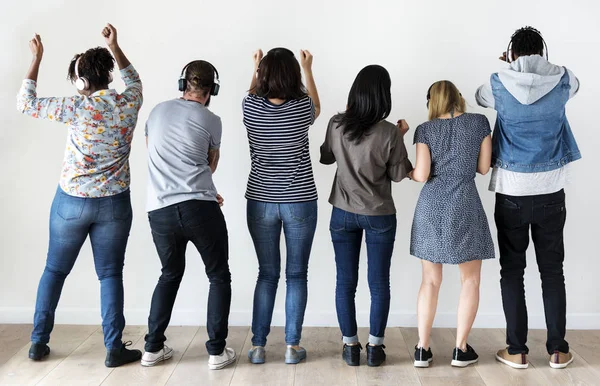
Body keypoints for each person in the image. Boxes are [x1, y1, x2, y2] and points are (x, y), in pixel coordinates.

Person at [16, 24, 143, 367]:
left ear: (82, 83)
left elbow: (24, 102)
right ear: (108, 76)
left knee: (54, 271)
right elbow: (135, 80)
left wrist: (37, 58)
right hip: (114, 203)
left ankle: (38, 342)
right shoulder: (129, 102)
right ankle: (114, 349)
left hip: (71, 203)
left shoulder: (75, 107)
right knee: (110, 274)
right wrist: (115, 46)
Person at [476, 26, 581, 370]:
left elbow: (479, 97)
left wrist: (510, 68)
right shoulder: (565, 80)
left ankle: (517, 350)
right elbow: (573, 84)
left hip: (512, 191)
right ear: (543, 52)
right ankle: (558, 350)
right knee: (552, 271)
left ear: (511, 53)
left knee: (512, 271)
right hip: (551, 189)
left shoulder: (497, 82)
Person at [142, 60, 236, 370]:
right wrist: (203, 189)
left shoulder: (156, 112)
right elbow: (210, 164)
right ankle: (216, 353)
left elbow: (156, 155)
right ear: (212, 90)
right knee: (218, 275)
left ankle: (152, 348)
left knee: (169, 274)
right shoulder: (212, 120)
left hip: (160, 210)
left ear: (183, 84)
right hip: (199, 208)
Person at [320, 65, 413, 367]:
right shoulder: (389, 132)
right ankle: (375, 348)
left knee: (345, 282)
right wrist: (399, 138)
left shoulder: (336, 124)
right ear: (383, 95)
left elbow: (325, 157)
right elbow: (400, 176)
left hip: (342, 214)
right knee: (379, 283)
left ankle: (350, 347)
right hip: (379, 215)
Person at [243, 47, 321, 365]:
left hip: (260, 200)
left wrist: (255, 68)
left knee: (267, 274)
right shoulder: (302, 108)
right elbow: (317, 105)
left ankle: (259, 347)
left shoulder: (250, 106)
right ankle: (291, 347)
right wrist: (308, 69)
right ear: (292, 75)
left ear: (263, 75)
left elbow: (251, 92)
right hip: (299, 200)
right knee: (297, 275)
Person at [410, 81, 494, 368]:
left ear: (431, 101)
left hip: (431, 206)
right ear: (459, 97)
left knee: (430, 281)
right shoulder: (479, 123)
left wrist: (408, 173)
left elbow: (421, 175)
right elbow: (483, 168)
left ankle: (422, 349)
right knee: (469, 280)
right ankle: (460, 349)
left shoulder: (425, 129)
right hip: (464, 204)